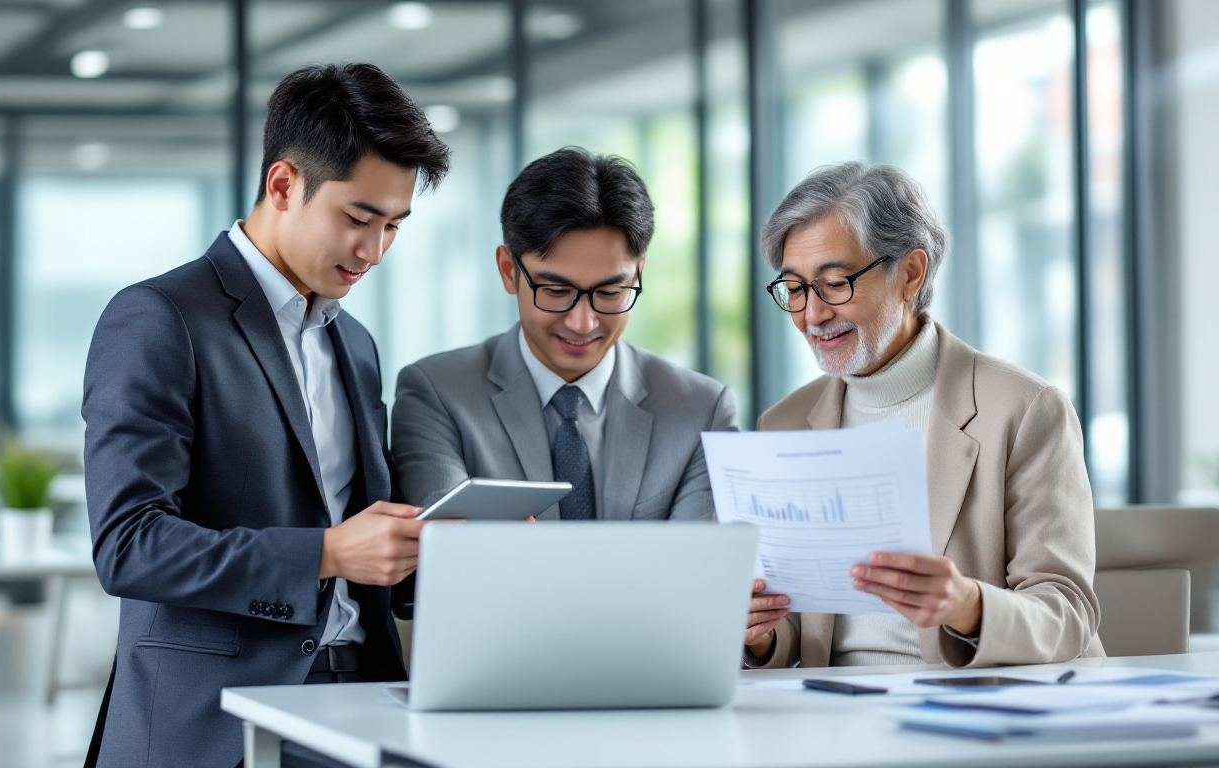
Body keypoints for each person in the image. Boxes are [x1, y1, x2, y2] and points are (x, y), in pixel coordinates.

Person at [81, 63, 449, 768]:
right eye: (358, 219)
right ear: (282, 185)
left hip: (364, 707)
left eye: (394, 226)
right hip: (220, 724)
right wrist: (327, 553)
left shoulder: (355, 344)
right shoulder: (160, 319)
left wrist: (444, 546)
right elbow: (129, 545)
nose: (374, 251)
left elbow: (365, 545)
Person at [743, 161, 1103, 669]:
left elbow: (1068, 612)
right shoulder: (783, 423)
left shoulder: (1024, 409)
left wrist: (968, 606)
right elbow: (796, 625)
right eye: (795, 289)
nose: (813, 314)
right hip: (827, 704)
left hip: (973, 699)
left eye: (835, 284)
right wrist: (761, 635)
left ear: (910, 273)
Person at [391, 147, 738, 528]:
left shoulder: (702, 410)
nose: (583, 323)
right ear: (508, 271)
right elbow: (452, 550)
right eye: (556, 291)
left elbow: (694, 562)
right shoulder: (438, 394)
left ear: (638, 274)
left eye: (610, 292)